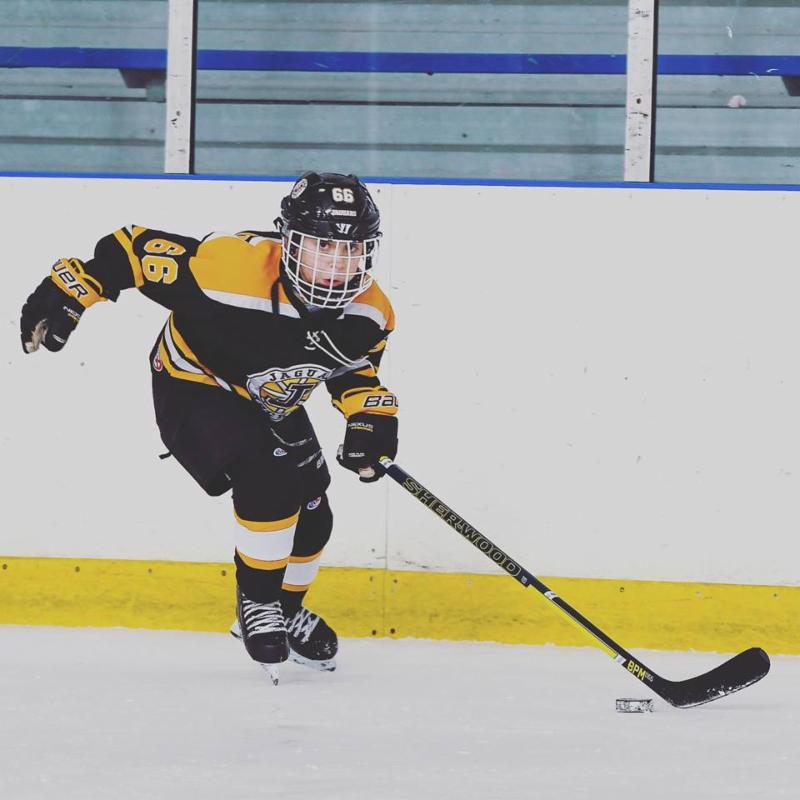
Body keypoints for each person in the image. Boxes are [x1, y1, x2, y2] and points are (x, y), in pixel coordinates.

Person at [19, 172, 399, 683]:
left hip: (269, 396)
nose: (336, 264)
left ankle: (284, 608)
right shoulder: (230, 267)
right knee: (269, 479)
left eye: (350, 249)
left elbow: (354, 369)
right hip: (194, 383)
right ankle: (257, 603)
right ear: (289, 241)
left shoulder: (371, 312)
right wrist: (73, 288)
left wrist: (370, 419)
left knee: (314, 510)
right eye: (321, 246)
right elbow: (132, 249)